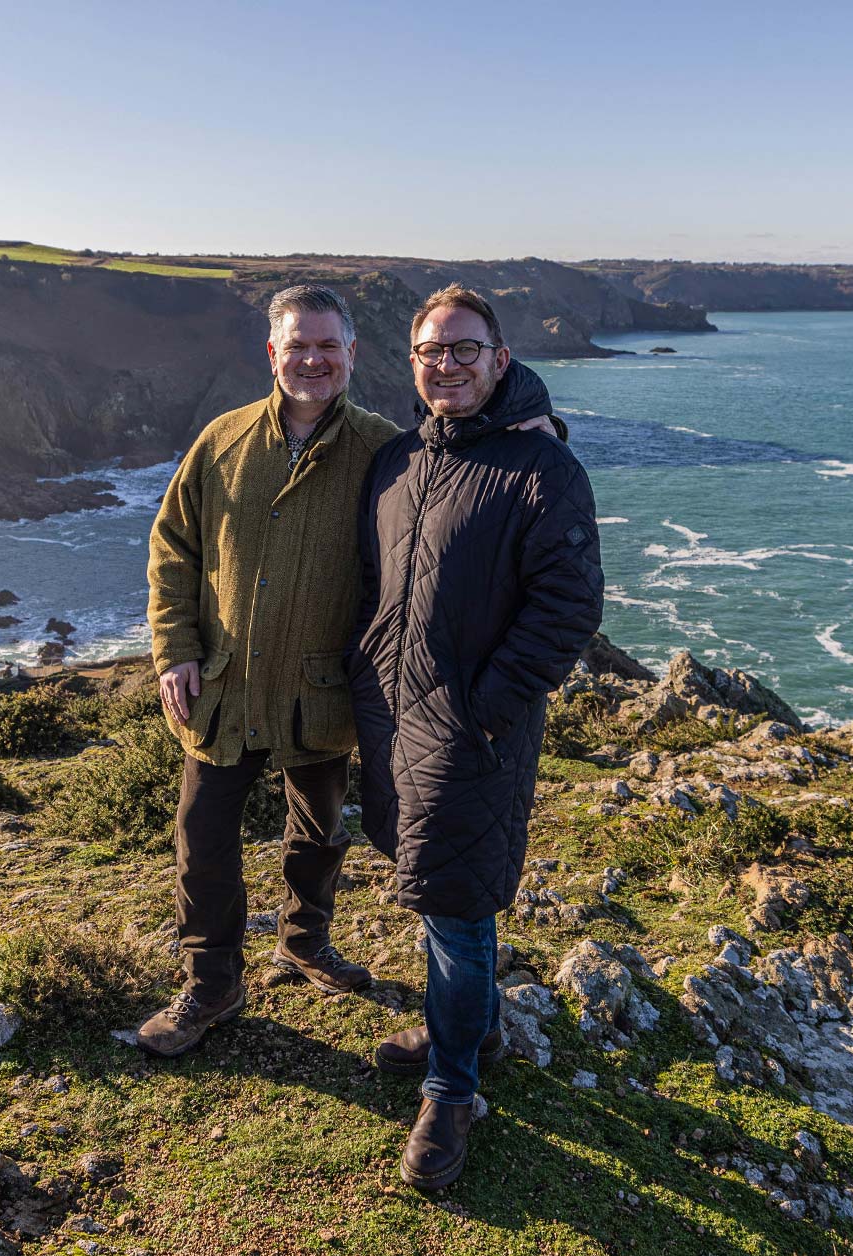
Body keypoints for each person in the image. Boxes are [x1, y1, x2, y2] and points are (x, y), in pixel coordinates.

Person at [138, 284, 552, 1057]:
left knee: (320, 830)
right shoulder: (221, 441)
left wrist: (535, 419)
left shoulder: (384, 449)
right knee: (203, 835)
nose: (313, 359)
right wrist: (175, 649)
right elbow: (173, 549)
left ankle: (304, 942)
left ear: (354, 354)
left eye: (329, 345)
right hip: (222, 684)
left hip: (323, 688)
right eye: (298, 345)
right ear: (272, 353)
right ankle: (210, 983)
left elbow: (468, 461)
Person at [348, 284, 604, 1189]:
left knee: (456, 903)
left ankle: (450, 1087)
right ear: (412, 364)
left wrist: (483, 708)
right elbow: (380, 587)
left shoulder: (542, 471)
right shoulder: (396, 460)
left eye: (464, 349)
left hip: (472, 730)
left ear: (501, 360)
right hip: (395, 719)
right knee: (441, 893)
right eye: (430, 351)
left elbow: (569, 608)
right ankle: (474, 1025)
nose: (446, 365)